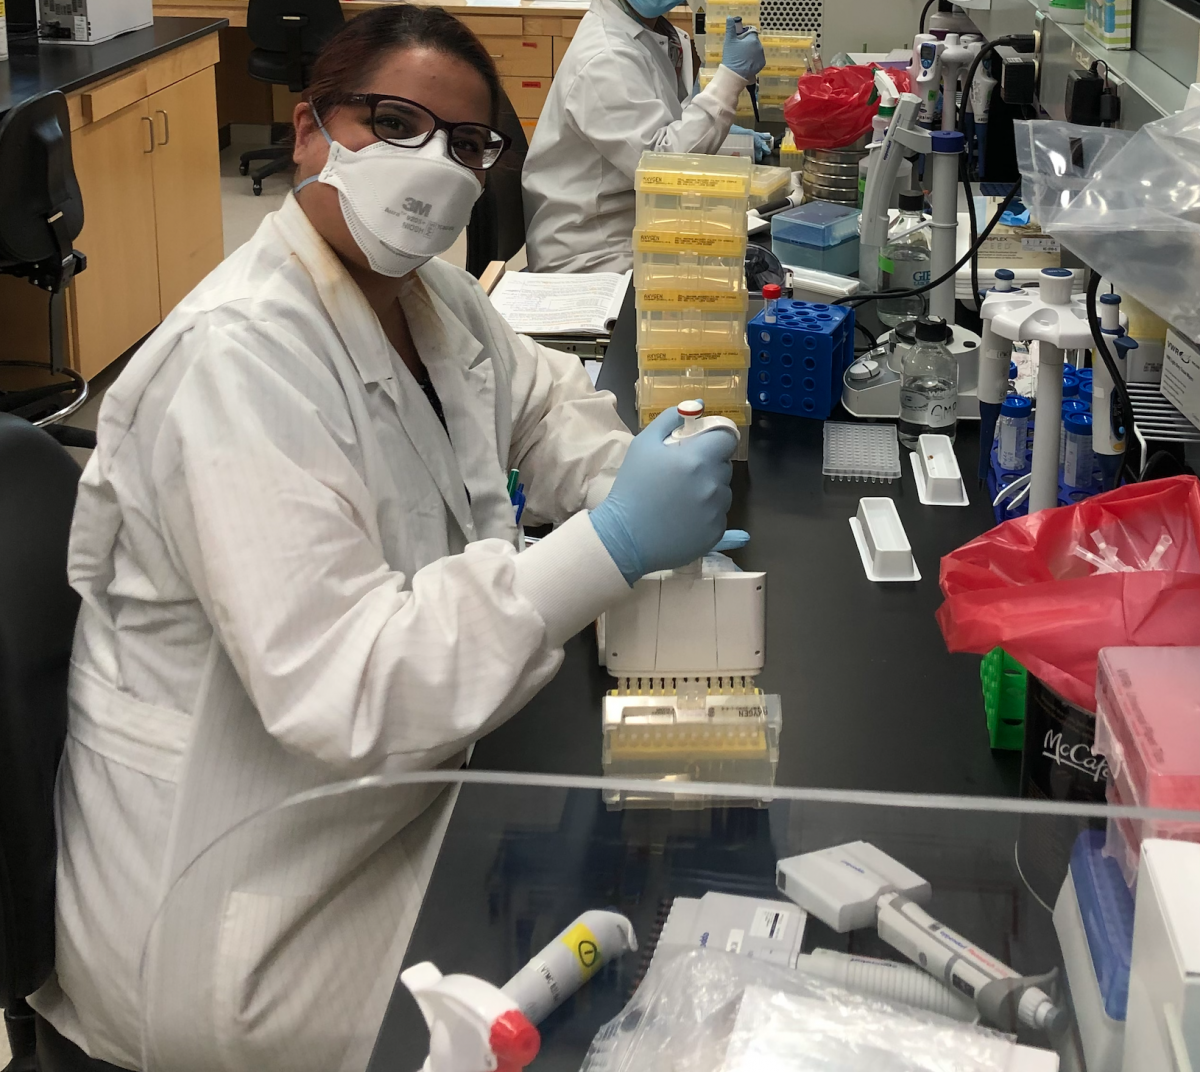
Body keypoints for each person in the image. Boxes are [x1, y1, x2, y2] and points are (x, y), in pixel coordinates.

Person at [28, 7, 738, 1070]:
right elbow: (346, 675)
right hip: (243, 902)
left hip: (378, 805)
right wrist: (617, 542)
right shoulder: (237, 362)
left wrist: (629, 473)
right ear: (310, 131)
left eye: (463, 143)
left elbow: (539, 402)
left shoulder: (430, 295)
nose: (433, 164)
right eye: (393, 121)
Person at [522, 4, 768, 274]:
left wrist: (721, 131)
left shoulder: (647, 32)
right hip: (594, 256)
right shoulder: (606, 56)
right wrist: (730, 79)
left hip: (632, 227)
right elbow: (661, 168)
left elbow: (660, 126)